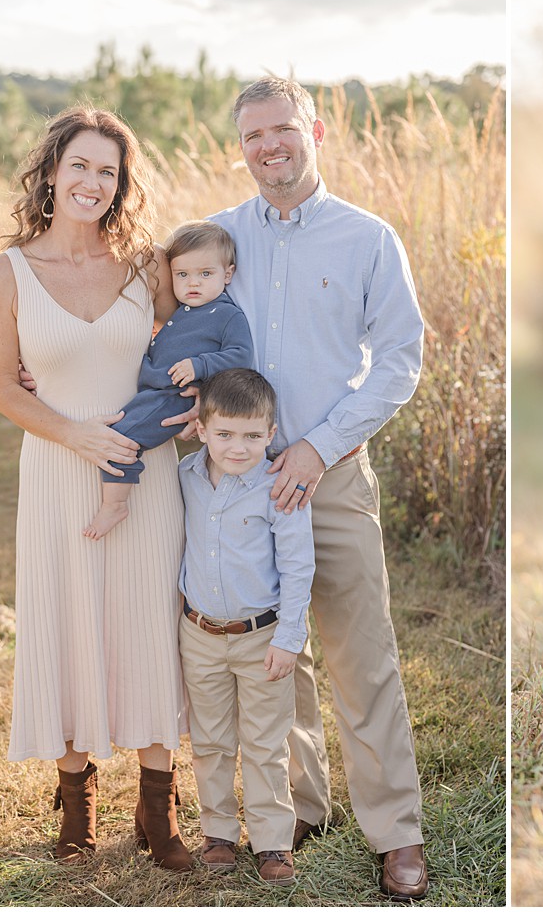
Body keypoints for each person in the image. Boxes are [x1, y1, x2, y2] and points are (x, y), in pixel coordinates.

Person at [205, 77, 430, 899]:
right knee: (277, 652)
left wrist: (318, 448)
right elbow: (164, 324)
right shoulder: (221, 238)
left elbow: (401, 360)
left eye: (283, 129)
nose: (270, 145)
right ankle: (302, 802)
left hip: (328, 476)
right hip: (237, 485)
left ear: (316, 131)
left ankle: (396, 831)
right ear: (242, 146)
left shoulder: (368, 238)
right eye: (254, 135)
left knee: (360, 653)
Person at [0, 106, 193, 870]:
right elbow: (5, 388)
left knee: (148, 620)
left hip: (148, 475)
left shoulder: (147, 266)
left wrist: (189, 404)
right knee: (67, 621)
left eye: (108, 170)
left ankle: (159, 807)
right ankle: (77, 802)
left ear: (120, 183)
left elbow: (189, 341)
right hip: (59, 474)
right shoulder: (5, 274)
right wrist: (74, 432)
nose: (92, 183)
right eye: (80, 166)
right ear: (52, 170)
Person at [176, 369, 315, 884]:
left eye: (253, 436)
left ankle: (272, 842)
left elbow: (299, 566)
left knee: (264, 741)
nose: (238, 448)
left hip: (261, 636)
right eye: (226, 434)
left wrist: (288, 638)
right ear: (204, 429)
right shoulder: (187, 476)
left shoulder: (278, 488)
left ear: (271, 432)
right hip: (201, 633)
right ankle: (217, 831)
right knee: (210, 739)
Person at [84, 220, 253, 540]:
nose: (193, 283)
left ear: (227, 275)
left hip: (175, 396)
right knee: (121, 429)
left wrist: (200, 365)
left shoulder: (227, 314)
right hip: (157, 387)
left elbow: (242, 356)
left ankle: (115, 504)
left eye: (206, 274)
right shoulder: (185, 311)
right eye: (182, 275)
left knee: (120, 437)